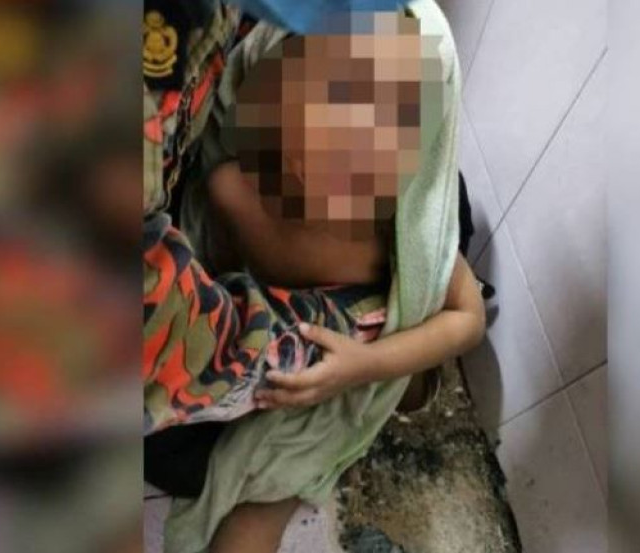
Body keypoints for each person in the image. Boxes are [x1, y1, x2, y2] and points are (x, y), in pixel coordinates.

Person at [144, 1, 477, 551]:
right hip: (255, 380)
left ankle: (412, 382)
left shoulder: (400, 234)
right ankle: (406, 382)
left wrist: (368, 367)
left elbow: (466, 317)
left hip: (344, 359)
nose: (326, 160)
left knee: (442, 245)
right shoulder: (230, 187)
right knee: (249, 485)